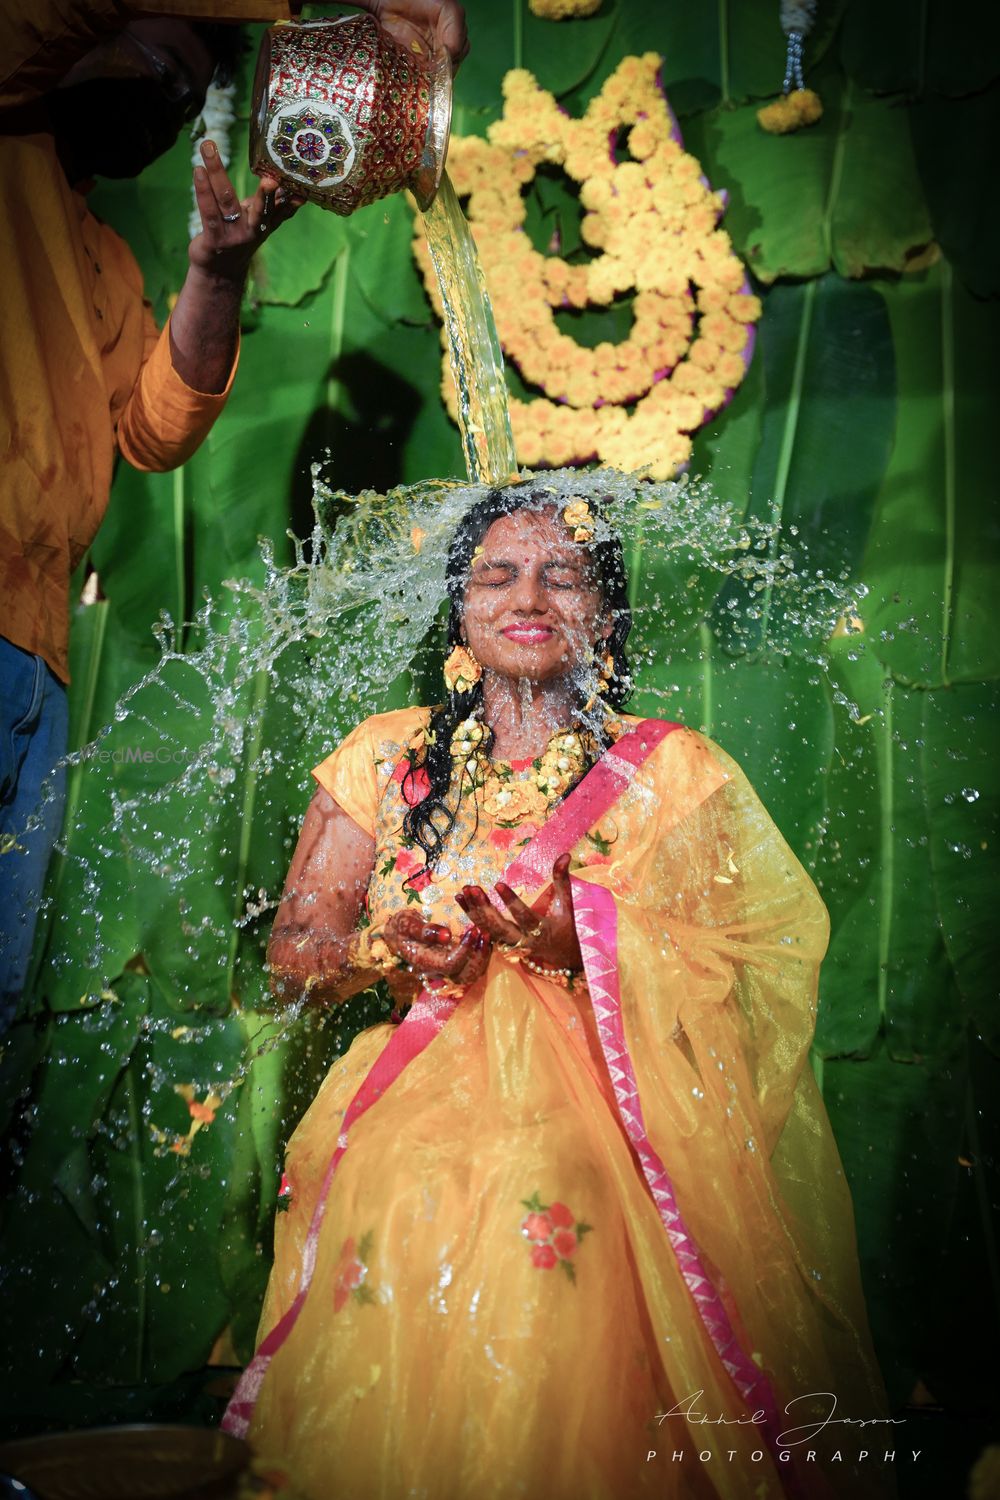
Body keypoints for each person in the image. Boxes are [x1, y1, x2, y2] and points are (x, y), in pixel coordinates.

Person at [222, 484, 892, 1500]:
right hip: (413, 1086)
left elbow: (758, 956)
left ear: (605, 618)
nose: (526, 593)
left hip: (611, 1110)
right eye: (496, 573)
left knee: (548, 1182)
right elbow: (294, 951)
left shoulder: (674, 773)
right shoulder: (383, 756)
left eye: (561, 574)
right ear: (460, 610)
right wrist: (380, 948)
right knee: (407, 1180)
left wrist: (581, 944)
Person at [0, 0, 468, 1028]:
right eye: (160, 62)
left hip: (33, 655)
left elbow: (154, 430)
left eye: (186, 94)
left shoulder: (106, 260)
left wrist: (217, 272)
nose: (164, 107)